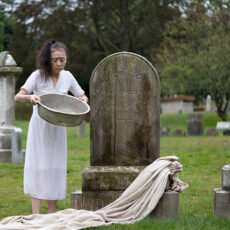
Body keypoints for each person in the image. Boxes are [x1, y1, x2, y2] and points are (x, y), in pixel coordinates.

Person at [14, 39, 88, 214]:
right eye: (55, 60)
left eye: (62, 59)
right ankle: (36, 214)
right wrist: (30, 98)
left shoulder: (68, 77)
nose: (59, 63)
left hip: (58, 127)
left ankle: (51, 214)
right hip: (40, 127)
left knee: (55, 166)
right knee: (39, 166)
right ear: (47, 60)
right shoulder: (38, 75)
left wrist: (82, 99)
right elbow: (18, 96)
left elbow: (82, 96)